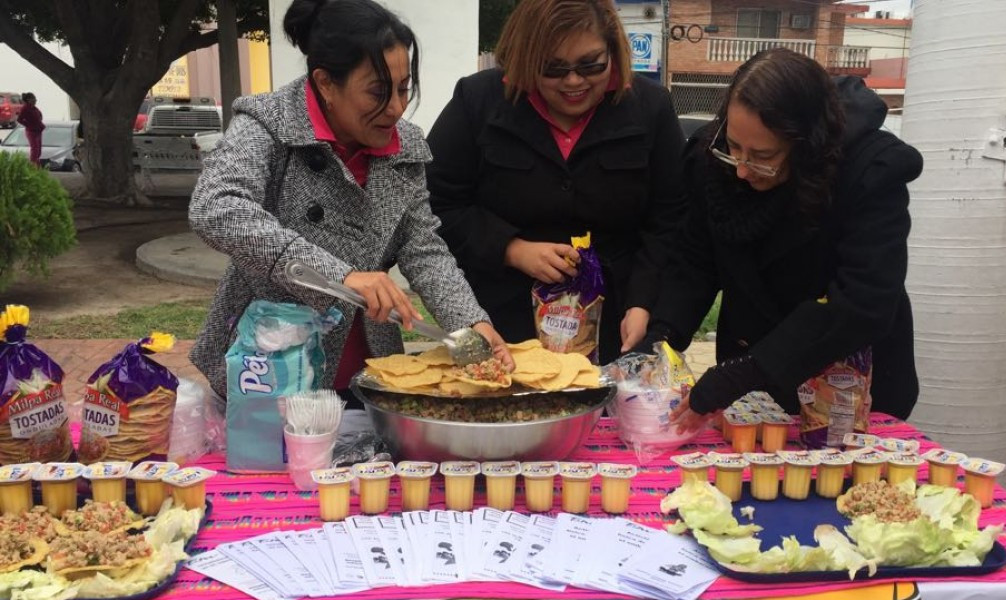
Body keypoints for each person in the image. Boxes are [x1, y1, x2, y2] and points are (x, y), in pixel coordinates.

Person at [189, 0, 512, 400]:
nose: (396, 108)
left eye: (404, 88)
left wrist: (471, 323)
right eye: (378, 92)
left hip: (369, 363)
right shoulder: (267, 124)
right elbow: (217, 208)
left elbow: (422, 247)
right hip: (268, 362)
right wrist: (339, 276)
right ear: (326, 83)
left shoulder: (405, 146)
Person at [638, 48, 923, 429]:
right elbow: (696, 259)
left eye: (763, 156)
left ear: (806, 144)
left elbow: (863, 300)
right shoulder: (714, 157)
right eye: (734, 147)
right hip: (754, 377)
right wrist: (663, 335)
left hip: (846, 382)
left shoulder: (869, 170)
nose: (741, 170)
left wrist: (746, 371)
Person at [425, 0, 686, 364]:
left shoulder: (650, 107)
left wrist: (642, 301)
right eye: (552, 68)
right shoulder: (478, 101)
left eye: (591, 65)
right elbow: (434, 205)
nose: (574, 81)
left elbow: (670, 218)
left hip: (616, 322)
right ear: (525, 57)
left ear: (613, 50)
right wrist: (511, 249)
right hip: (502, 326)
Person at [16, 92, 45, 167]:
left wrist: (39, 121)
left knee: (38, 151)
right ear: (29, 100)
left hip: (38, 131)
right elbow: (19, 119)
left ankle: (37, 166)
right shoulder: (25, 108)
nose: (35, 100)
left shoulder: (34, 108)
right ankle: (32, 166)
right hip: (31, 131)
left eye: (35, 99)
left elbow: (39, 116)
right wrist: (29, 125)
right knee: (34, 150)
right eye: (34, 99)